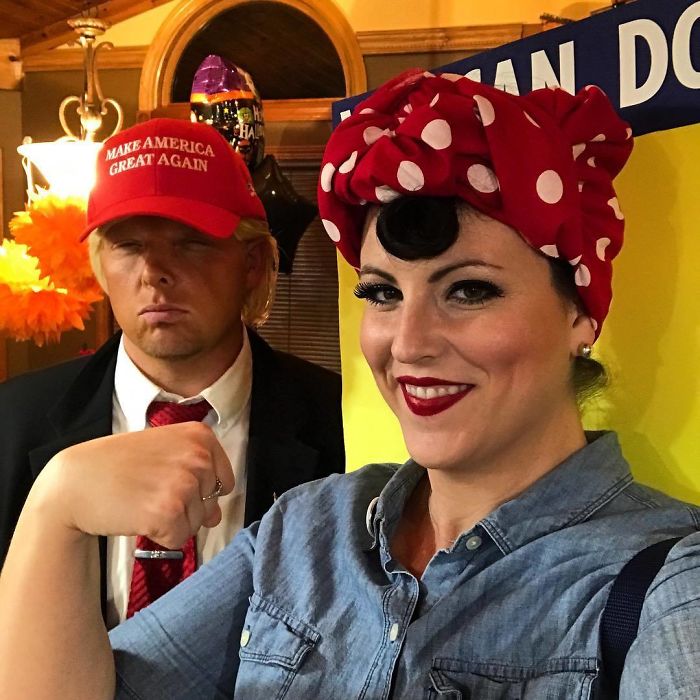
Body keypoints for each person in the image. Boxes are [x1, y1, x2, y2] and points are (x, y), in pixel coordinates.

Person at [1, 70, 699, 699]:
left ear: (580, 314)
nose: (410, 343)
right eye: (382, 294)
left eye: (469, 291)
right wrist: (55, 509)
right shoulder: (305, 530)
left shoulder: (667, 585)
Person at [0, 117, 344, 627]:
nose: (154, 272)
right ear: (99, 265)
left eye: (190, 241)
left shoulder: (341, 422)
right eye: (128, 245)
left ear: (251, 264)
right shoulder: (11, 422)